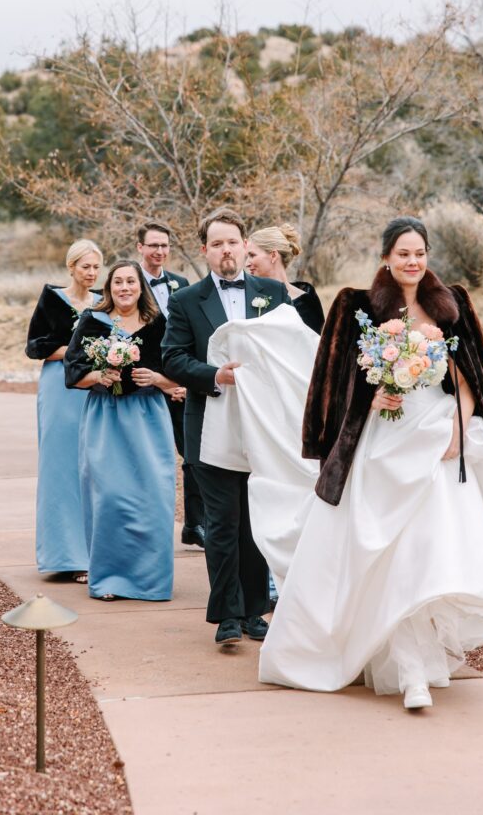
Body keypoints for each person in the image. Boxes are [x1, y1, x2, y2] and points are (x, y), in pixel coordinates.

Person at [259, 216, 483, 710]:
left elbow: (470, 378)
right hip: (382, 444)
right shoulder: (358, 307)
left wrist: (458, 429)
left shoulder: (451, 304)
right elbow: (336, 381)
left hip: (437, 439)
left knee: (429, 551)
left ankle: (419, 665)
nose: (412, 262)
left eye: (419, 253)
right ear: (386, 257)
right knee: (387, 554)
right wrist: (371, 398)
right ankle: (406, 667)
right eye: (403, 253)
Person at [161, 207, 290, 646]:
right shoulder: (185, 301)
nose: (226, 250)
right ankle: (227, 615)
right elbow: (173, 358)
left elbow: (291, 348)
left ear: (245, 244)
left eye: (233, 242)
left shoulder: (273, 292)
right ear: (205, 250)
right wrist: (215, 375)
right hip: (210, 422)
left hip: (262, 426)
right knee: (221, 523)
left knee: (255, 521)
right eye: (217, 244)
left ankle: (255, 611)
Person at [64, 260, 178, 601]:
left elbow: (178, 372)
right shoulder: (93, 321)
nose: (124, 287)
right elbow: (72, 373)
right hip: (106, 418)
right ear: (109, 287)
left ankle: (150, 582)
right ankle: (110, 579)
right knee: (109, 497)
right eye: (118, 282)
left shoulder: (158, 324)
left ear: (141, 287)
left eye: (131, 281)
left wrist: (157, 379)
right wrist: (99, 376)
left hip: (148, 418)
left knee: (152, 497)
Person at [25, 239, 103, 580]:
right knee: (61, 468)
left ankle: (97, 552)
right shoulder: (52, 300)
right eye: (85, 266)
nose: (91, 272)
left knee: (95, 466)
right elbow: (35, 346)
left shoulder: (103, 302)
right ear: (71, 267)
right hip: (60, 388)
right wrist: (79, 350)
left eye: (96, 267)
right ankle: (65, 556)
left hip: (94, 387)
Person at [136, 220, 205, 550]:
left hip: (181, 385)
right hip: (145, 386)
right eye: (153, 245)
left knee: (193, 455)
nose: (160, 251)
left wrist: (184, 381)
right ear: (140, 247)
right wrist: (162, 382)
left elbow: (190, 337)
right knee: (149, 459)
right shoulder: (127, 283)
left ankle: (194, 524)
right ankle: (147, 527)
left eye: (164, 245)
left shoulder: (181, 283)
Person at [246, 224, 325, 334]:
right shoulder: (248, 299)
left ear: (273, 255)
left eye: (252, 255)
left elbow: (317, 342)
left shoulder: (306, 302)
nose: (247, 264)